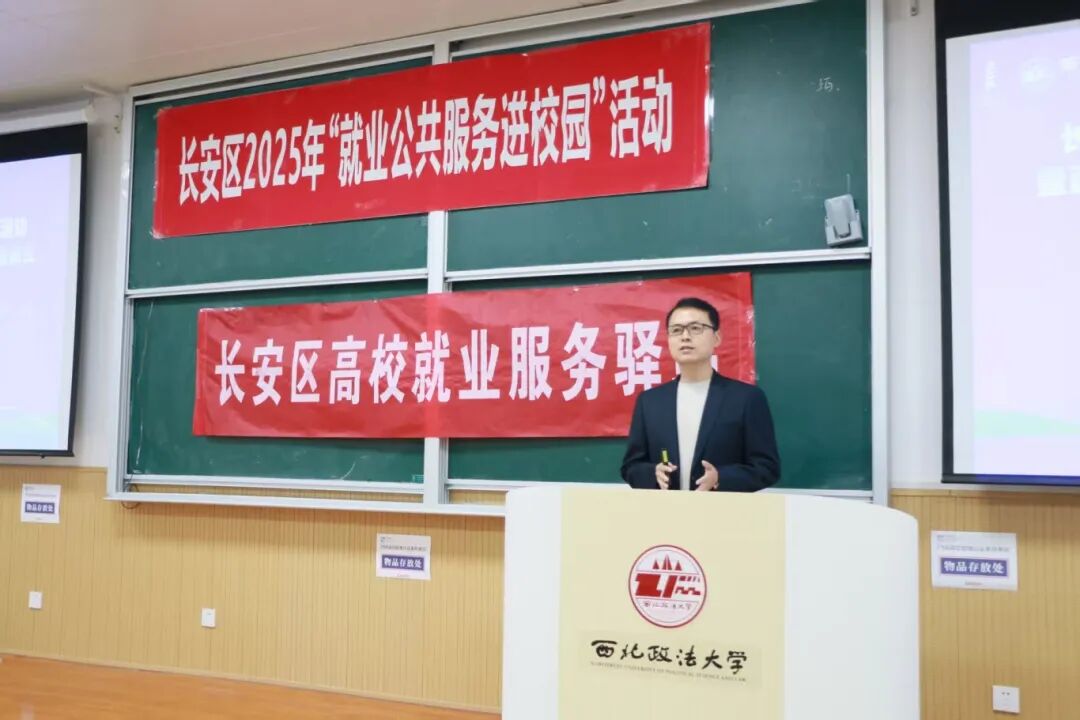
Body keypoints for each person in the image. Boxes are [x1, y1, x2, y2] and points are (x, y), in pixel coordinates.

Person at [620, 297, 780, 492]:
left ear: (716, 338)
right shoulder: (650, 402)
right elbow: (631, 467)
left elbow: (767, 468)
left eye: (695, 328)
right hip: (666, 510)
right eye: (676, 330)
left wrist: (721, 478)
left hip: (723, 509)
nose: (685, 337)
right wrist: (652, 473)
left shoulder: (746, 398)